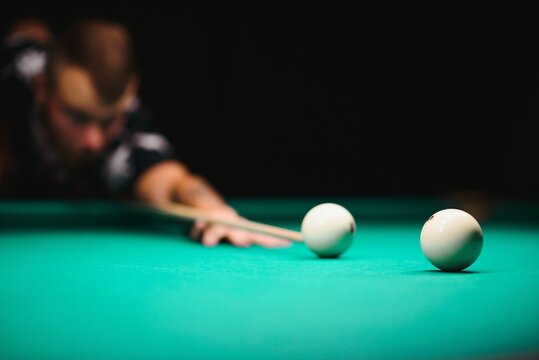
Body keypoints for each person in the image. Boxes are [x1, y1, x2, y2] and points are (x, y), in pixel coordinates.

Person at [0, 17, 289, 248]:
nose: (94, 140)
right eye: (77, 116)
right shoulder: (12, 81)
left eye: (107, 120)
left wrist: (209, 207)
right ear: (41, 89)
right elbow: (25, 29)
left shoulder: (129, 131)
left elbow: (169, 180)